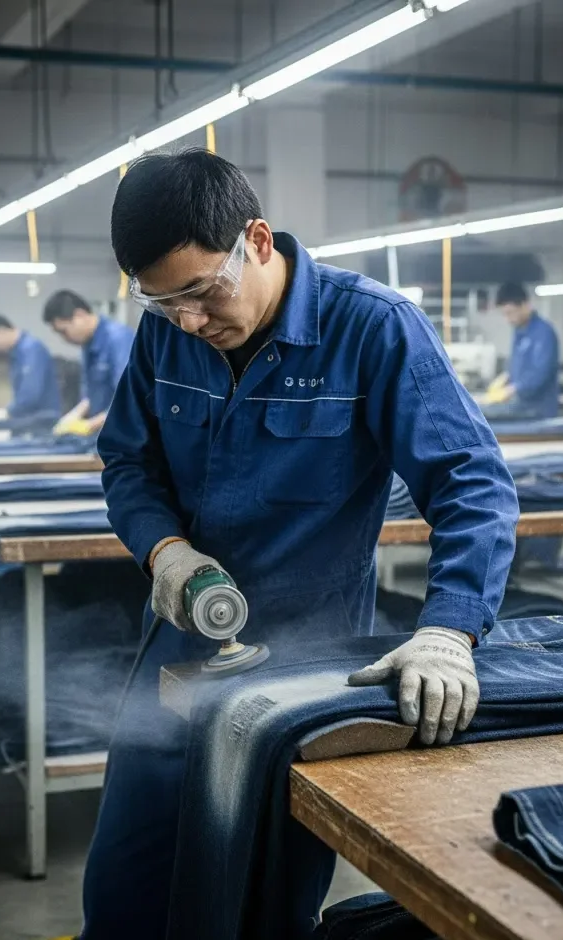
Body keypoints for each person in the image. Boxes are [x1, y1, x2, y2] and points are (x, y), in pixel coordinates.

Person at [81, 149, 519, 940]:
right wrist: (165, 551)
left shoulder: (372, 327)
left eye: (200, 293)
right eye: (160, 303)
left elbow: (472, 483)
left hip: (308, 658)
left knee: (261, 897)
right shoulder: (167, 337)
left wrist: (449, 629)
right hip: (178, 642)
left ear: (255, 239)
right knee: (125, 883)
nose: (187, 322)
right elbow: (128, 462)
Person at [42, 289, 135, 436]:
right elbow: (91, 395)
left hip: (125, 435)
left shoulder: (118, 339)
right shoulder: (88, 344)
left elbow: (129, 398)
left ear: (80, 315)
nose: (64, 339)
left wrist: (89, 425)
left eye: (64, 331)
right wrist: (71, 418)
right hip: (105, 433)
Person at [480, 281, 560, 420]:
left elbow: (540, 374)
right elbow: (517, 368)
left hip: (538, 410)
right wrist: (504, 379)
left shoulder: (543, 332)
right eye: (504, 314)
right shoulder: (519, 332)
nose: (507, 319)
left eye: (510, 313)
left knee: (480, 414)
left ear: (525, 305)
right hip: (521, 404)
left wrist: (512, 390)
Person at [0, 313, 62, 422]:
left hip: (42, 422)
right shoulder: (16, 353)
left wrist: (4, 413)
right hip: (29, 420)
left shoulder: (31, 350)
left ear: (1, 331)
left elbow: (30, 396)